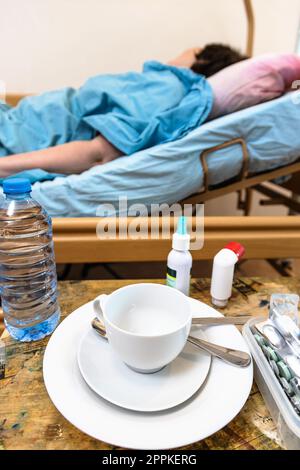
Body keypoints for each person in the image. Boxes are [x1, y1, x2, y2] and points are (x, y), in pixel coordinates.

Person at [0, 44, 246, 180]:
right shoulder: (160, 84)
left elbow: (96, 154)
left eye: (190, 50)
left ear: (199, 60)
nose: (177, 53)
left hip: (15, 140)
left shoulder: (167, 90)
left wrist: (5, 166)